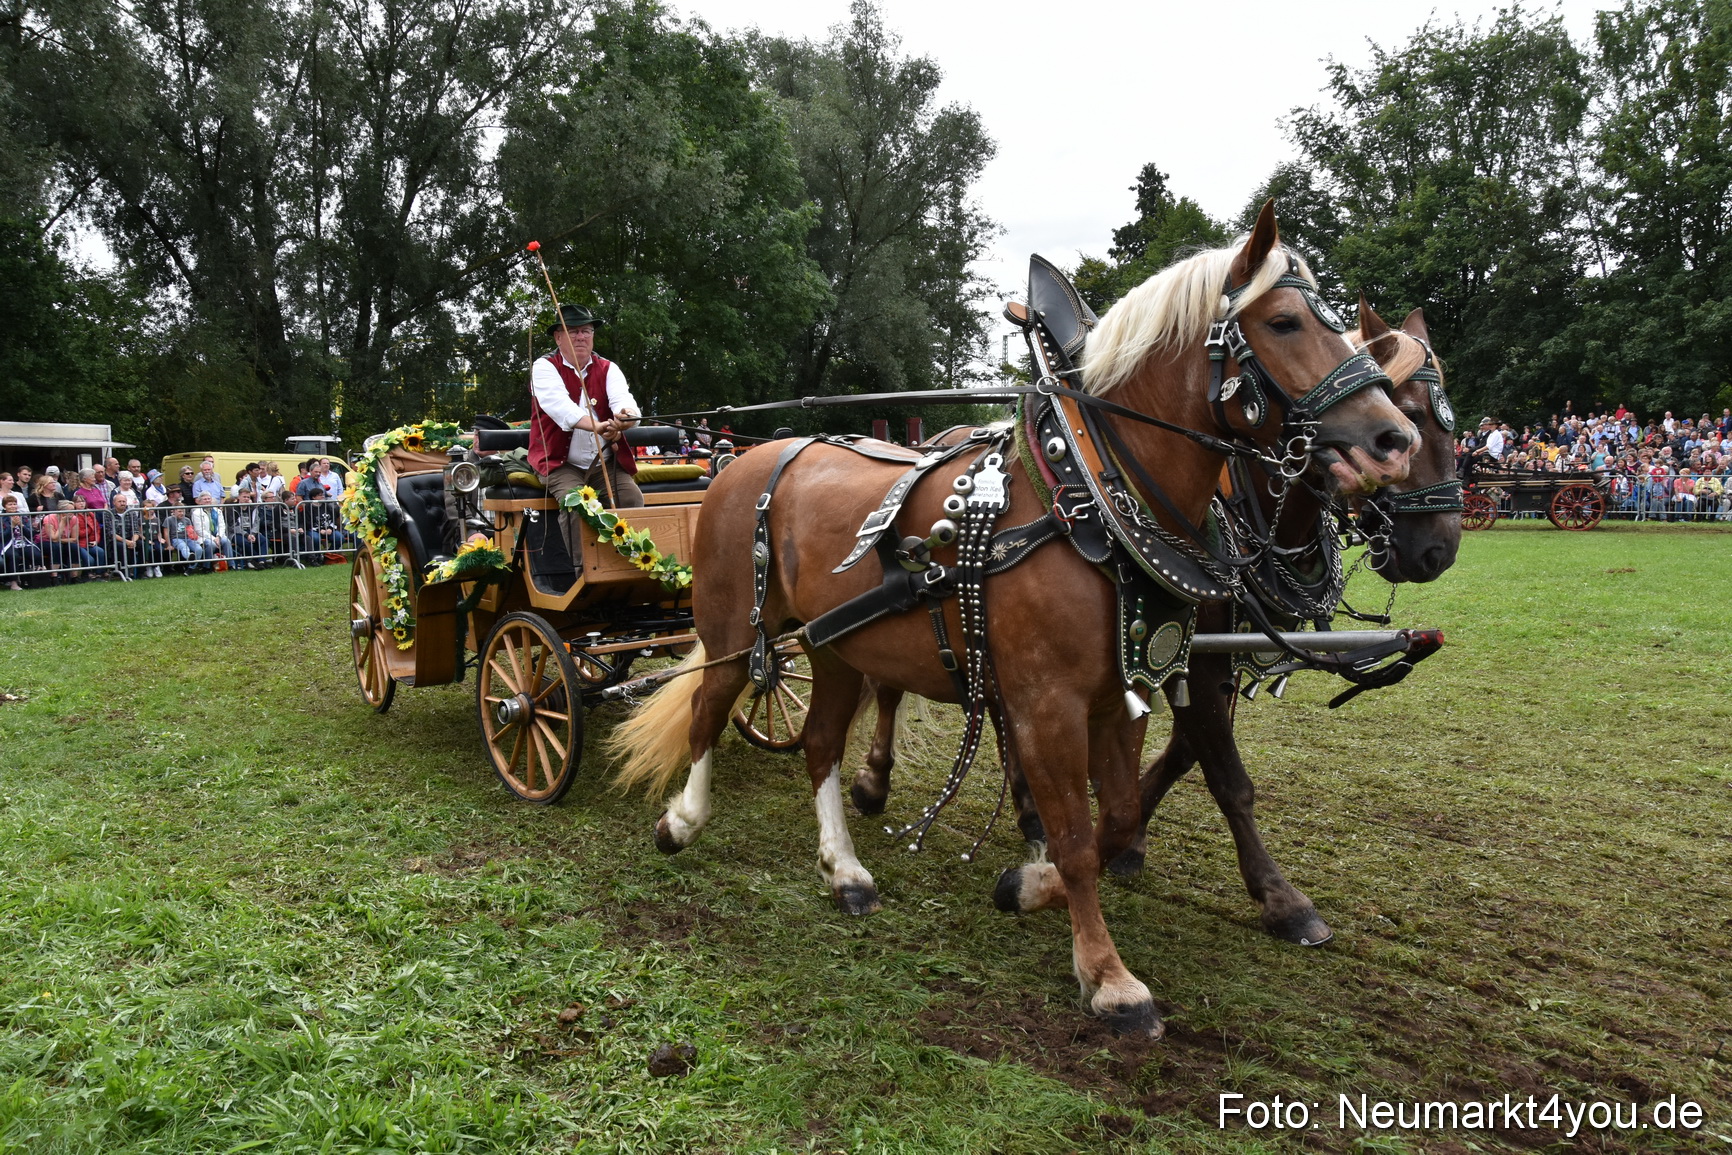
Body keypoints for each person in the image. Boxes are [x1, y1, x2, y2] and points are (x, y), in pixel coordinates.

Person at [528, 303, 643, 569]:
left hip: (604, 463)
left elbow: (624, 402)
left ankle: (634, 567)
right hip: (560, 463)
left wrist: (625, 418)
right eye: (573, 331)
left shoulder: (609, 368)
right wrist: (598, 426)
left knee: (631, 499)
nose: (581, 337)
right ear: (558, 337)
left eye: (586, 331)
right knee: (577, 503)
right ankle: (585, 574)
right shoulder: (544, 367)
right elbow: (561, 408)